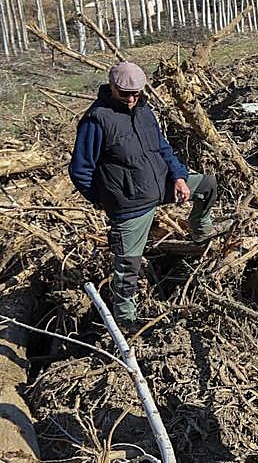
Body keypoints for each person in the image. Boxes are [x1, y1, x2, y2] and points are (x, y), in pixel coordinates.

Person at [68, 61, 220, 329]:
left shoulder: (144, 112)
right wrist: (107, 199)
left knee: (207, 185)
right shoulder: (97, 120)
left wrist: (180, 177)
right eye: (125, 93)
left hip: (161, 186)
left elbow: (163, 149)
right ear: (111, 86)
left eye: (135, 93)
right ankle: (126, 320)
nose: (130, 99)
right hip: (130, 205)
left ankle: (200, 231)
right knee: (128, 266)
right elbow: (81, 170)